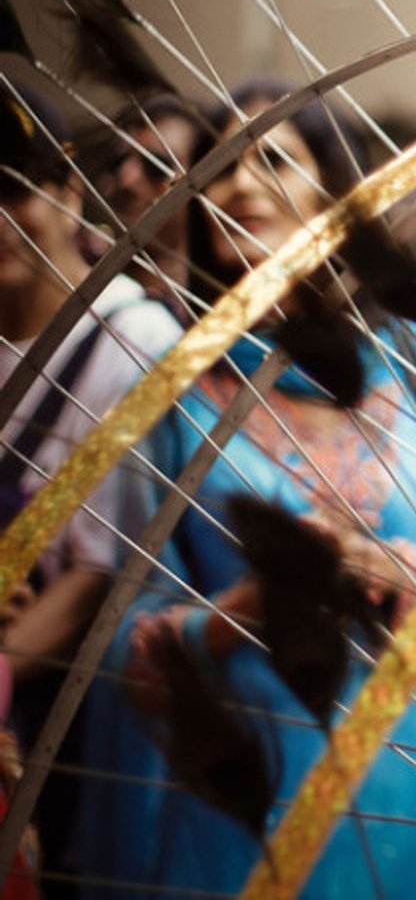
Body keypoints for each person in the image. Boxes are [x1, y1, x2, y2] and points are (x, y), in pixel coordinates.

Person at [86, 83, 416, 899]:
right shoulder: (171, 381)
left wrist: (384, 564)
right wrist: (234, 615)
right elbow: (128, 628)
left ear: (332, 190)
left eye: (272, 159)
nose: (239, 186)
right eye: (218, 172)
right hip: (236, 793)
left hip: (407, 787)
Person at [1, 85, 181, 893]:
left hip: (70, 728)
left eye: (13, 192)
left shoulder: (136, 340)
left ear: (69, 190)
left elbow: (112, 569)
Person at [90, 95, 201, 314]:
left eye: (156, 165)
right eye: (117, 163)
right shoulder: (74, 288)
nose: (126, 178)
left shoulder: (220, 306)